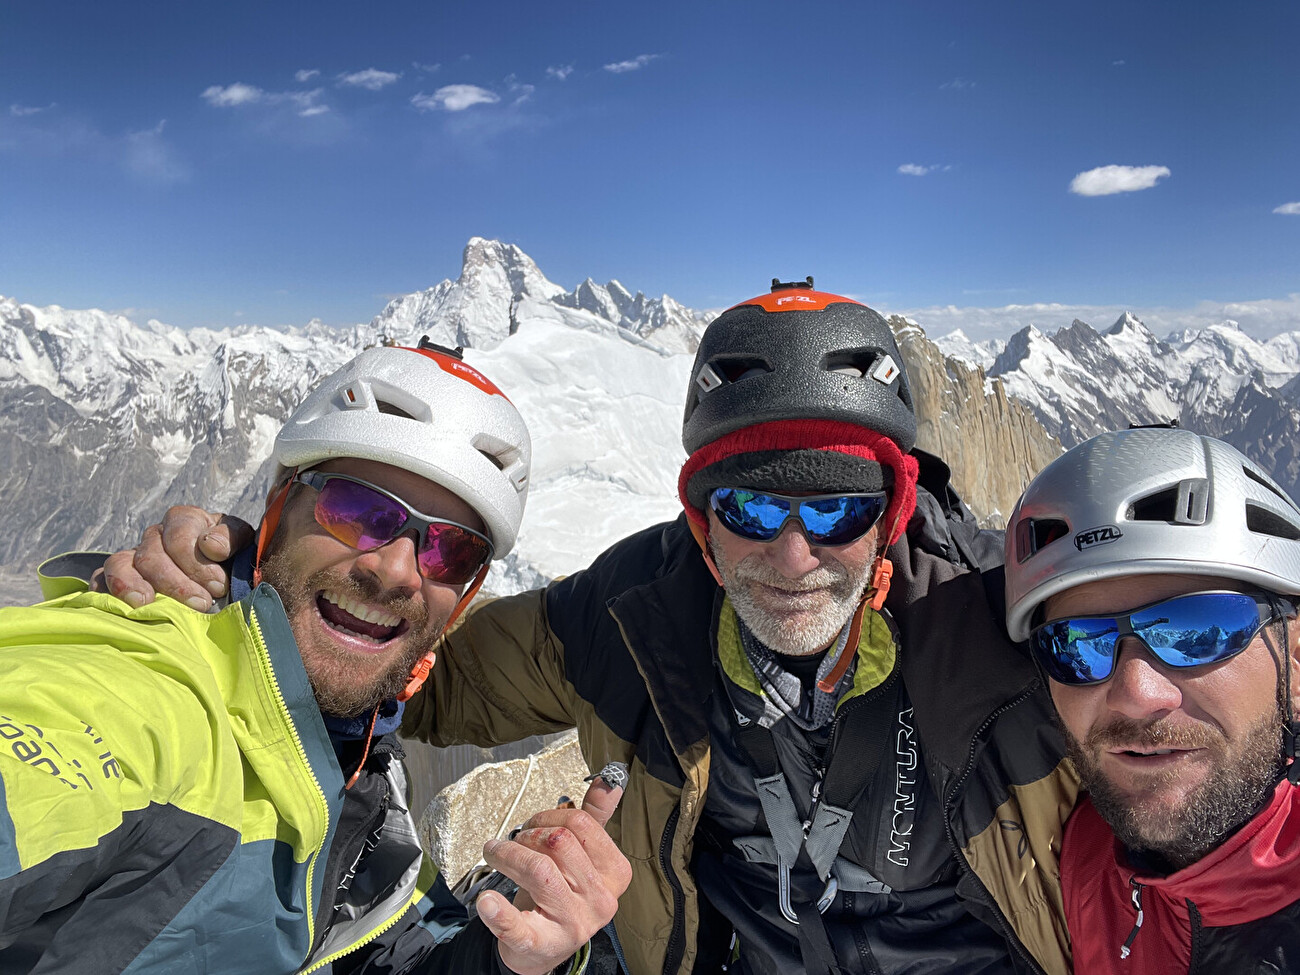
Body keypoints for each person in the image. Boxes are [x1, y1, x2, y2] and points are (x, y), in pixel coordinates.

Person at [101, 282, 1079, 975]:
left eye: (835, 511)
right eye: (746, 510)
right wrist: (261, 575)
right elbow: (418, 673)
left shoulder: (1021, 623)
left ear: (896, 512)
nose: (790, 556)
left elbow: (1209, 767)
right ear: (697, 520)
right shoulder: (637, 616)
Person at [0, 341, 630, 974]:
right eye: (357, 510)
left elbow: (382, 954)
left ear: (463, 594)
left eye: (449, 551)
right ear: (277, 506)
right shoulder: (136, 701)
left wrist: (514, 960)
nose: (395, 570)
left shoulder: (358, 762)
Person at [1002, 425, 1300, 973]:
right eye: (1078, 647)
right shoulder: (1081, 856)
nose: (1137, 695)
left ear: (1295, 658)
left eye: (1197, 630)